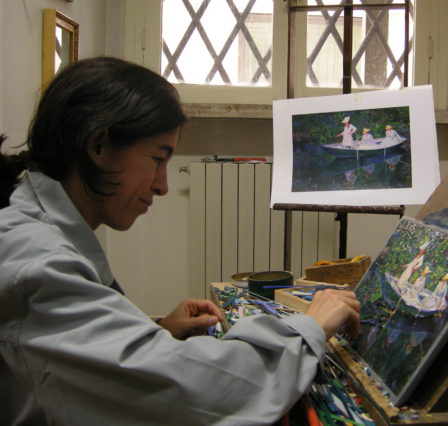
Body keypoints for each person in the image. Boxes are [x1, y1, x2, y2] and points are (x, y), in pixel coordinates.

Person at [0, 57, 360, 425]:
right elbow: (199, 390)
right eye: (157, 159)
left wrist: (158, 333)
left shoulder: (33, 228)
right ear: (98, 146)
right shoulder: (38, 266)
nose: (163, 185)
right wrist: (310, 328)